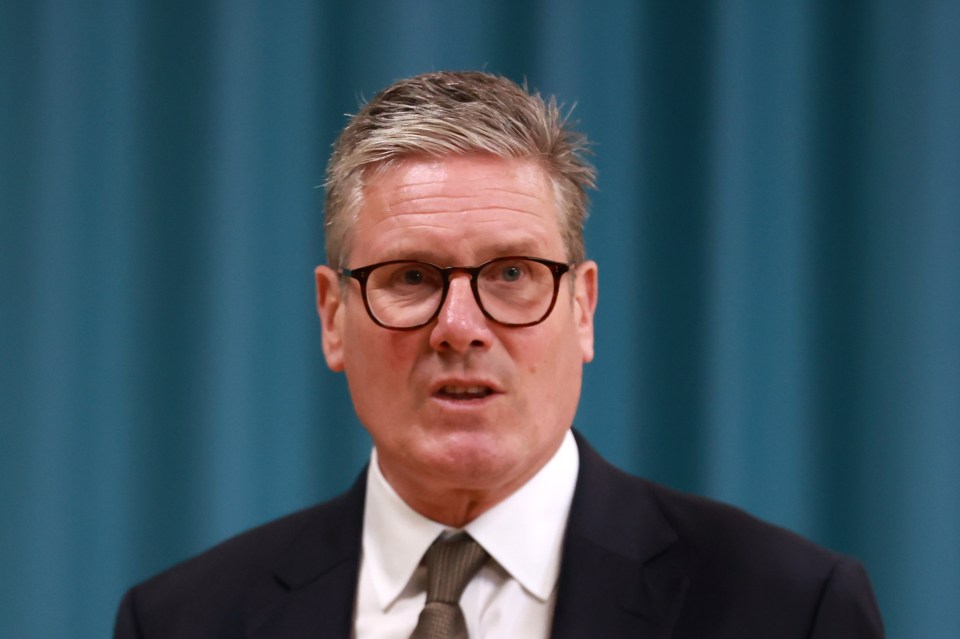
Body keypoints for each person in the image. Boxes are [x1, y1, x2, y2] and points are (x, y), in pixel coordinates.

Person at [114, 70, 884, 638]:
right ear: (333, 316)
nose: (459, 327)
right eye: (410, 276)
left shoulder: (789, 609)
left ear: (582, 307)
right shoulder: (183, 620)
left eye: (512, 274)